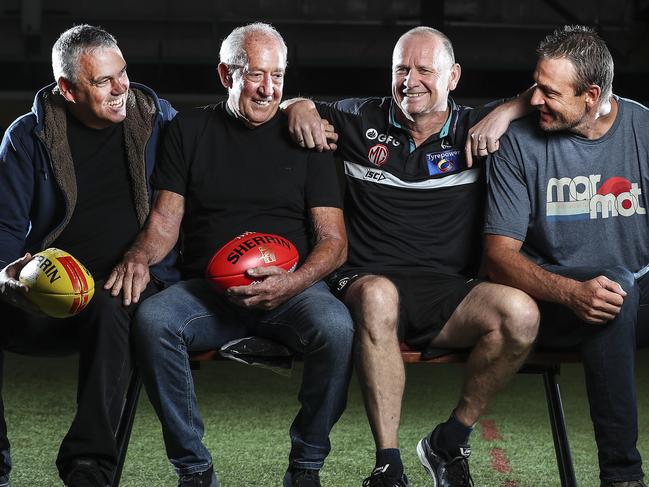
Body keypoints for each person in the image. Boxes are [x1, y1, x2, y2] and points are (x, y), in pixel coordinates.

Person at [282, 26, 539, 487]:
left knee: (520, 314)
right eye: (401, 68)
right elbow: (292, 105)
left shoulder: (474, 130)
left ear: (453, 76)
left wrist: (507, 111)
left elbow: (546, 93)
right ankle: (388, 464)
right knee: (380, 294)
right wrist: (295, 105)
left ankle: (450, 439)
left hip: (447, 290)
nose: (410, 80)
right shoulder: (357, 118)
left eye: (425, 69)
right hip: (365, 281)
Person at [106, 22, 354, 487]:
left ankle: (306, 467)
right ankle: (194, 470)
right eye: (256, 75)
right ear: (226, 75)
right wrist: (138, 256)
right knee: (155, 319)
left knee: (338, 328)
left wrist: (292, 283)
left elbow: (333, 242)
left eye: (278, 76)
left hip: (291, 291)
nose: (268, 89)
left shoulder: (308, 138)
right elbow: (164, 221)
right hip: (209, 293)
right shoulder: (189, 130)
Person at [0, 24, 178, 487]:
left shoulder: (158, 119)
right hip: (44, 290)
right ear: (68, 89)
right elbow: (3, 231)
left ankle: (88, 467)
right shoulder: (27, 137)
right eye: (103, 81)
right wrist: (8, 276)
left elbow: (228, 125)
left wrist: (293, 105)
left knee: (109, 304)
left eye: (123, 73)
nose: (122, 88)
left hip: (122, 284)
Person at [484, 25, 647, 487]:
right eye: (535, 87)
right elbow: (499, 257)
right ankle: (623, 477)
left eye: (549, 92)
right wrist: (572, 293)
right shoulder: (518, 142)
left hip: (637, 293)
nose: (535, 100)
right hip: (556, 300)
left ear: (591, 95)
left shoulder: (644, 130)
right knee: (614, 286)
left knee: (621, 286)